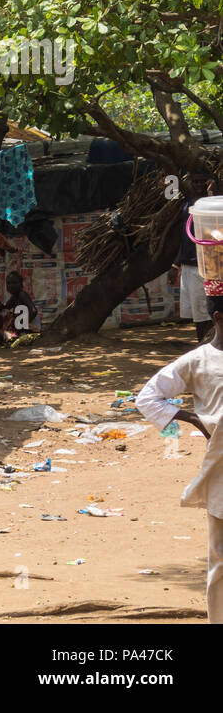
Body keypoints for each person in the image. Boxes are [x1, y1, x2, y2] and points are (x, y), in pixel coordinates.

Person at [135, 294, 223, 623]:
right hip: (220, 469)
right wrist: (193, 419)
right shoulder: (197, 361)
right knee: (220, 559)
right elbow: (148, 397)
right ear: (218, 317)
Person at [172, 169, 217, 342]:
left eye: (202, 181)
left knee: (209, 313)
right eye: (196, 181)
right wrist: (175, 265)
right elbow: (184, 236)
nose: (199, 185)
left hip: (206, 266)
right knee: (198, 314)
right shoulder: (187, 204)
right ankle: (203, 346)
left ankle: (208, 347)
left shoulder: (212, 204)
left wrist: (211, 193)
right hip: (188, 265)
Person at [0, 271, 39, 345]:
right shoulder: (15, 296)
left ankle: (17, 336)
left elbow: (33, 311)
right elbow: (6, 308)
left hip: (30, 329)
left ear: (21, 284)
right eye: (9, 283)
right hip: (21, 328)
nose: (11, 286)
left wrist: (23, 325)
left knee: (1, 337)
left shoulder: (22, 295)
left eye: (14, 283)